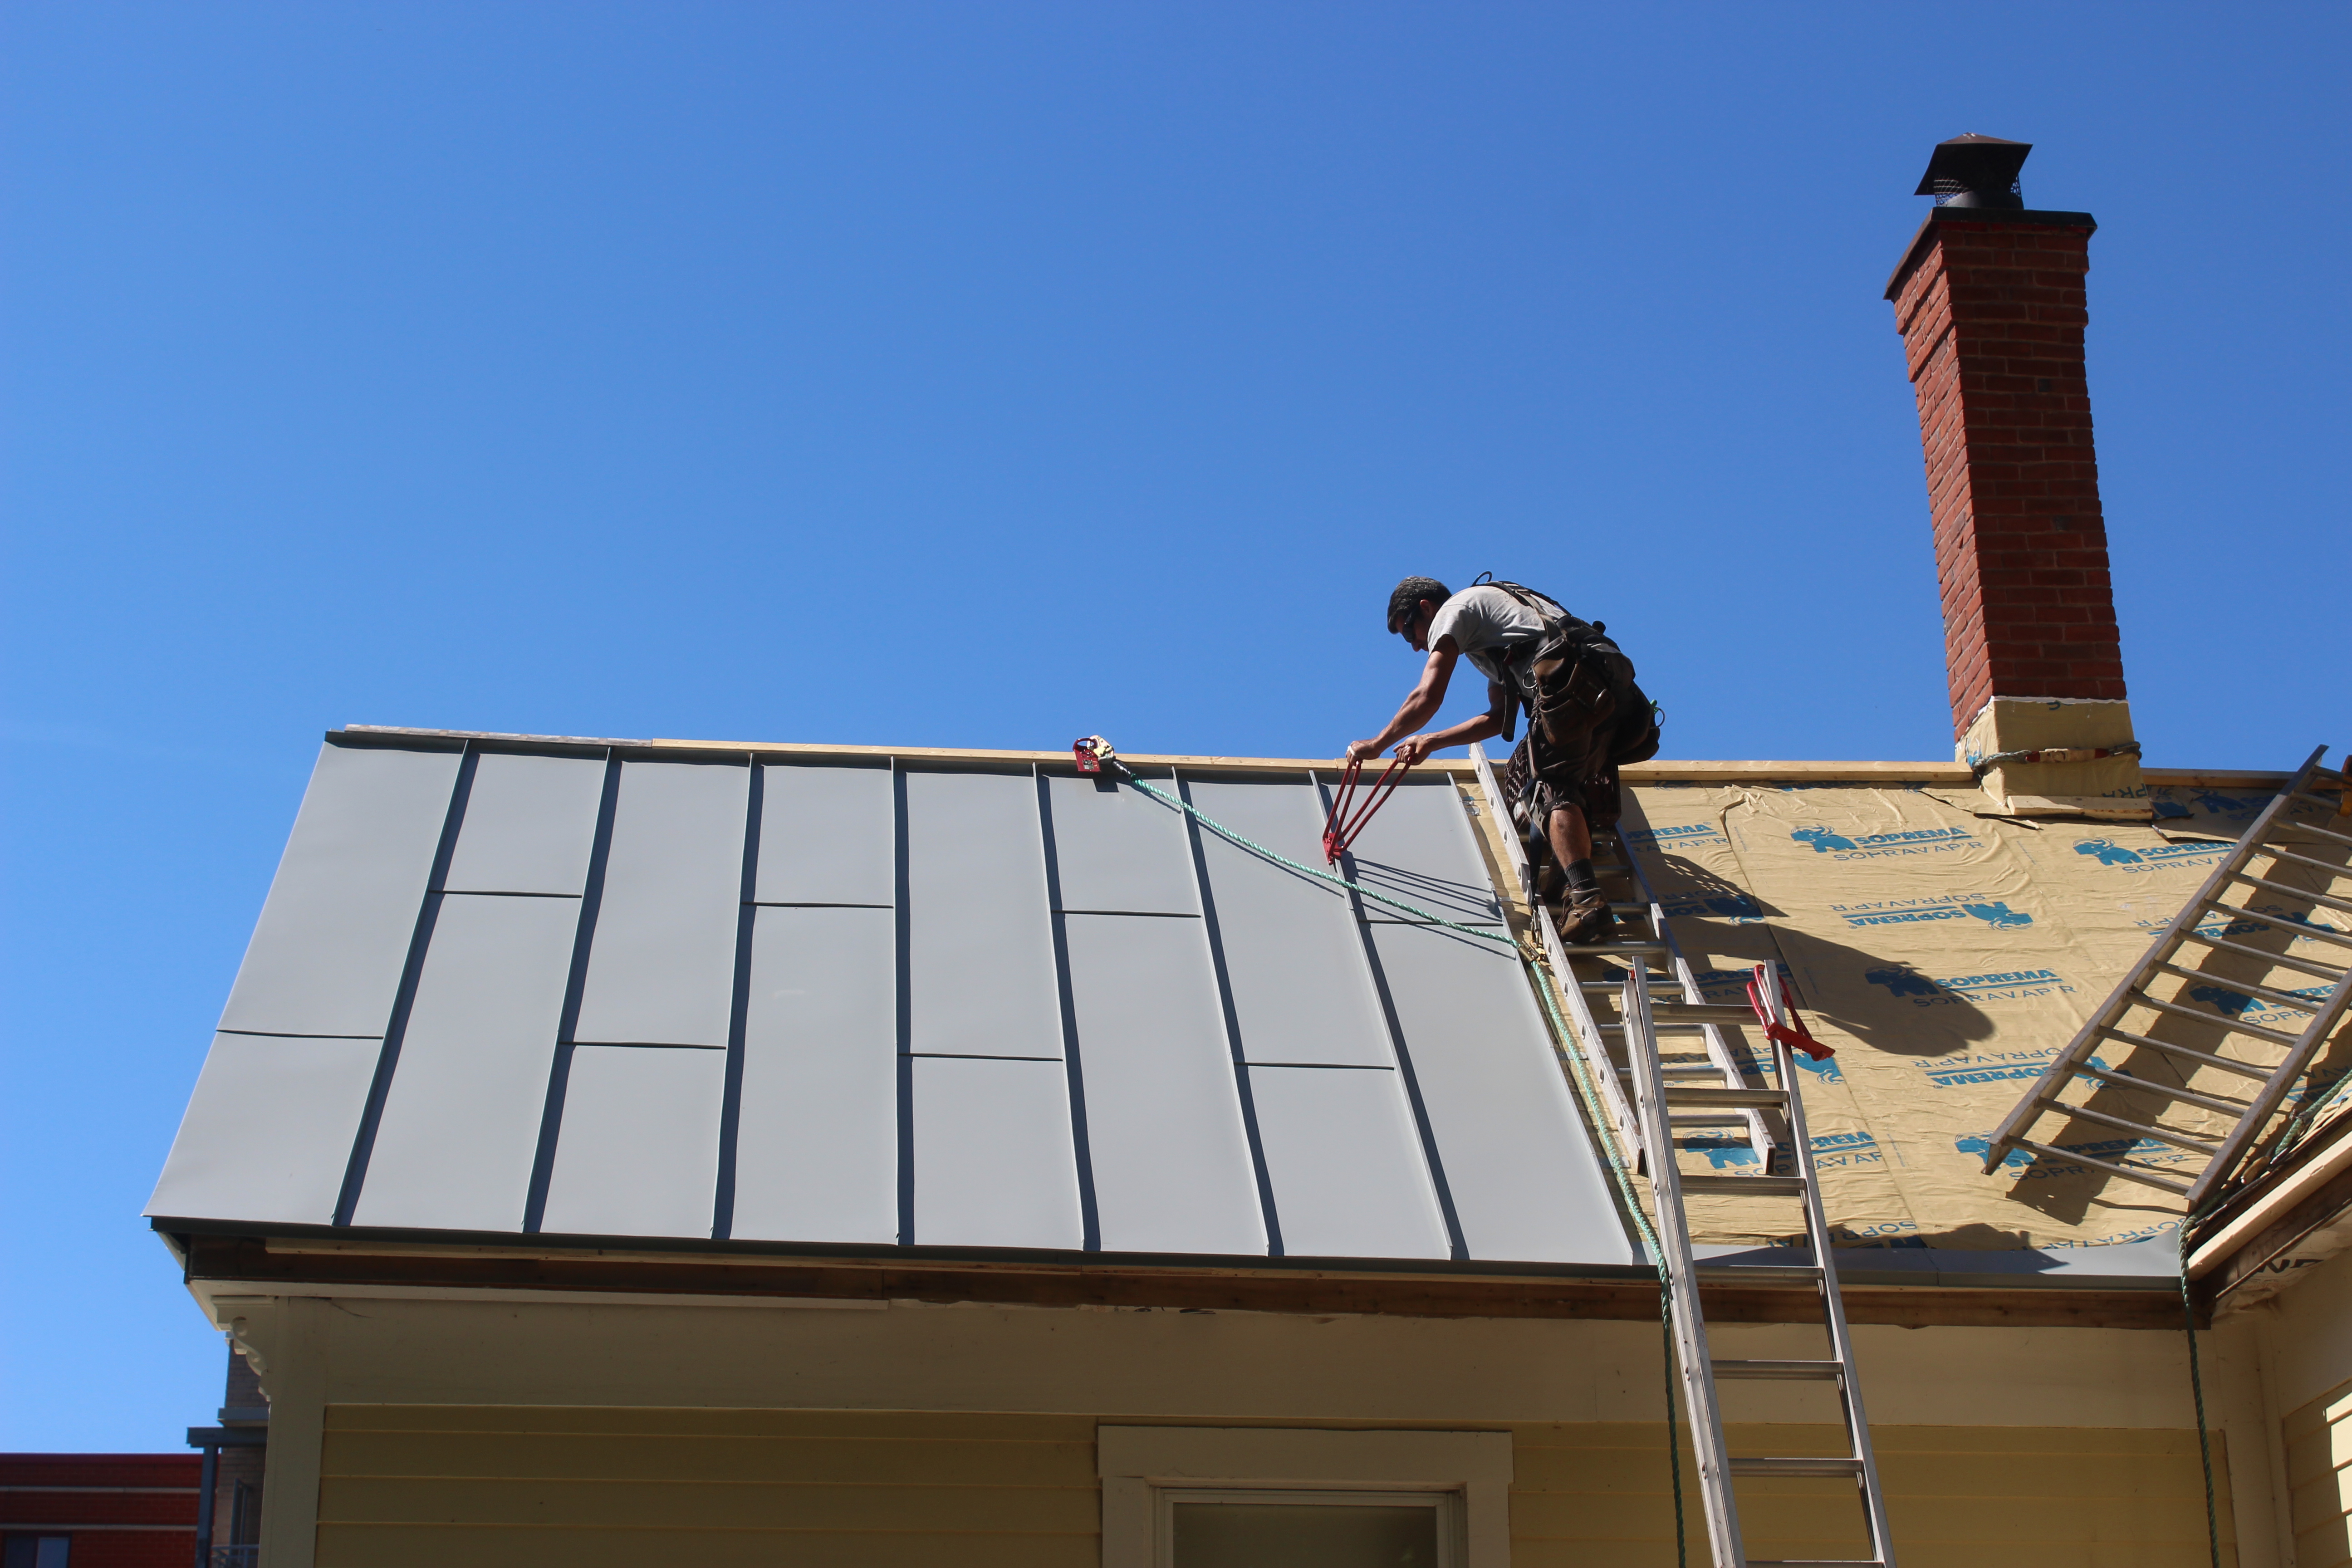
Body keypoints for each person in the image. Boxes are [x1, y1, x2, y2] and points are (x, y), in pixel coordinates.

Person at [1348, 575, 1657, 943]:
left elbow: (1427, 695)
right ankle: (1569, 874)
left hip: (1571, 687)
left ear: (1427, 609)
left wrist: (1377, 744)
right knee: (1568, 783)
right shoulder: (1498, 625)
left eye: (1408, 633)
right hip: (1607, 689)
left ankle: (1588, 903)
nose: (1415, 646)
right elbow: (1498, 717)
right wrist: (1432, 741)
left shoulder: (1454, 610)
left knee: (1553, 792)